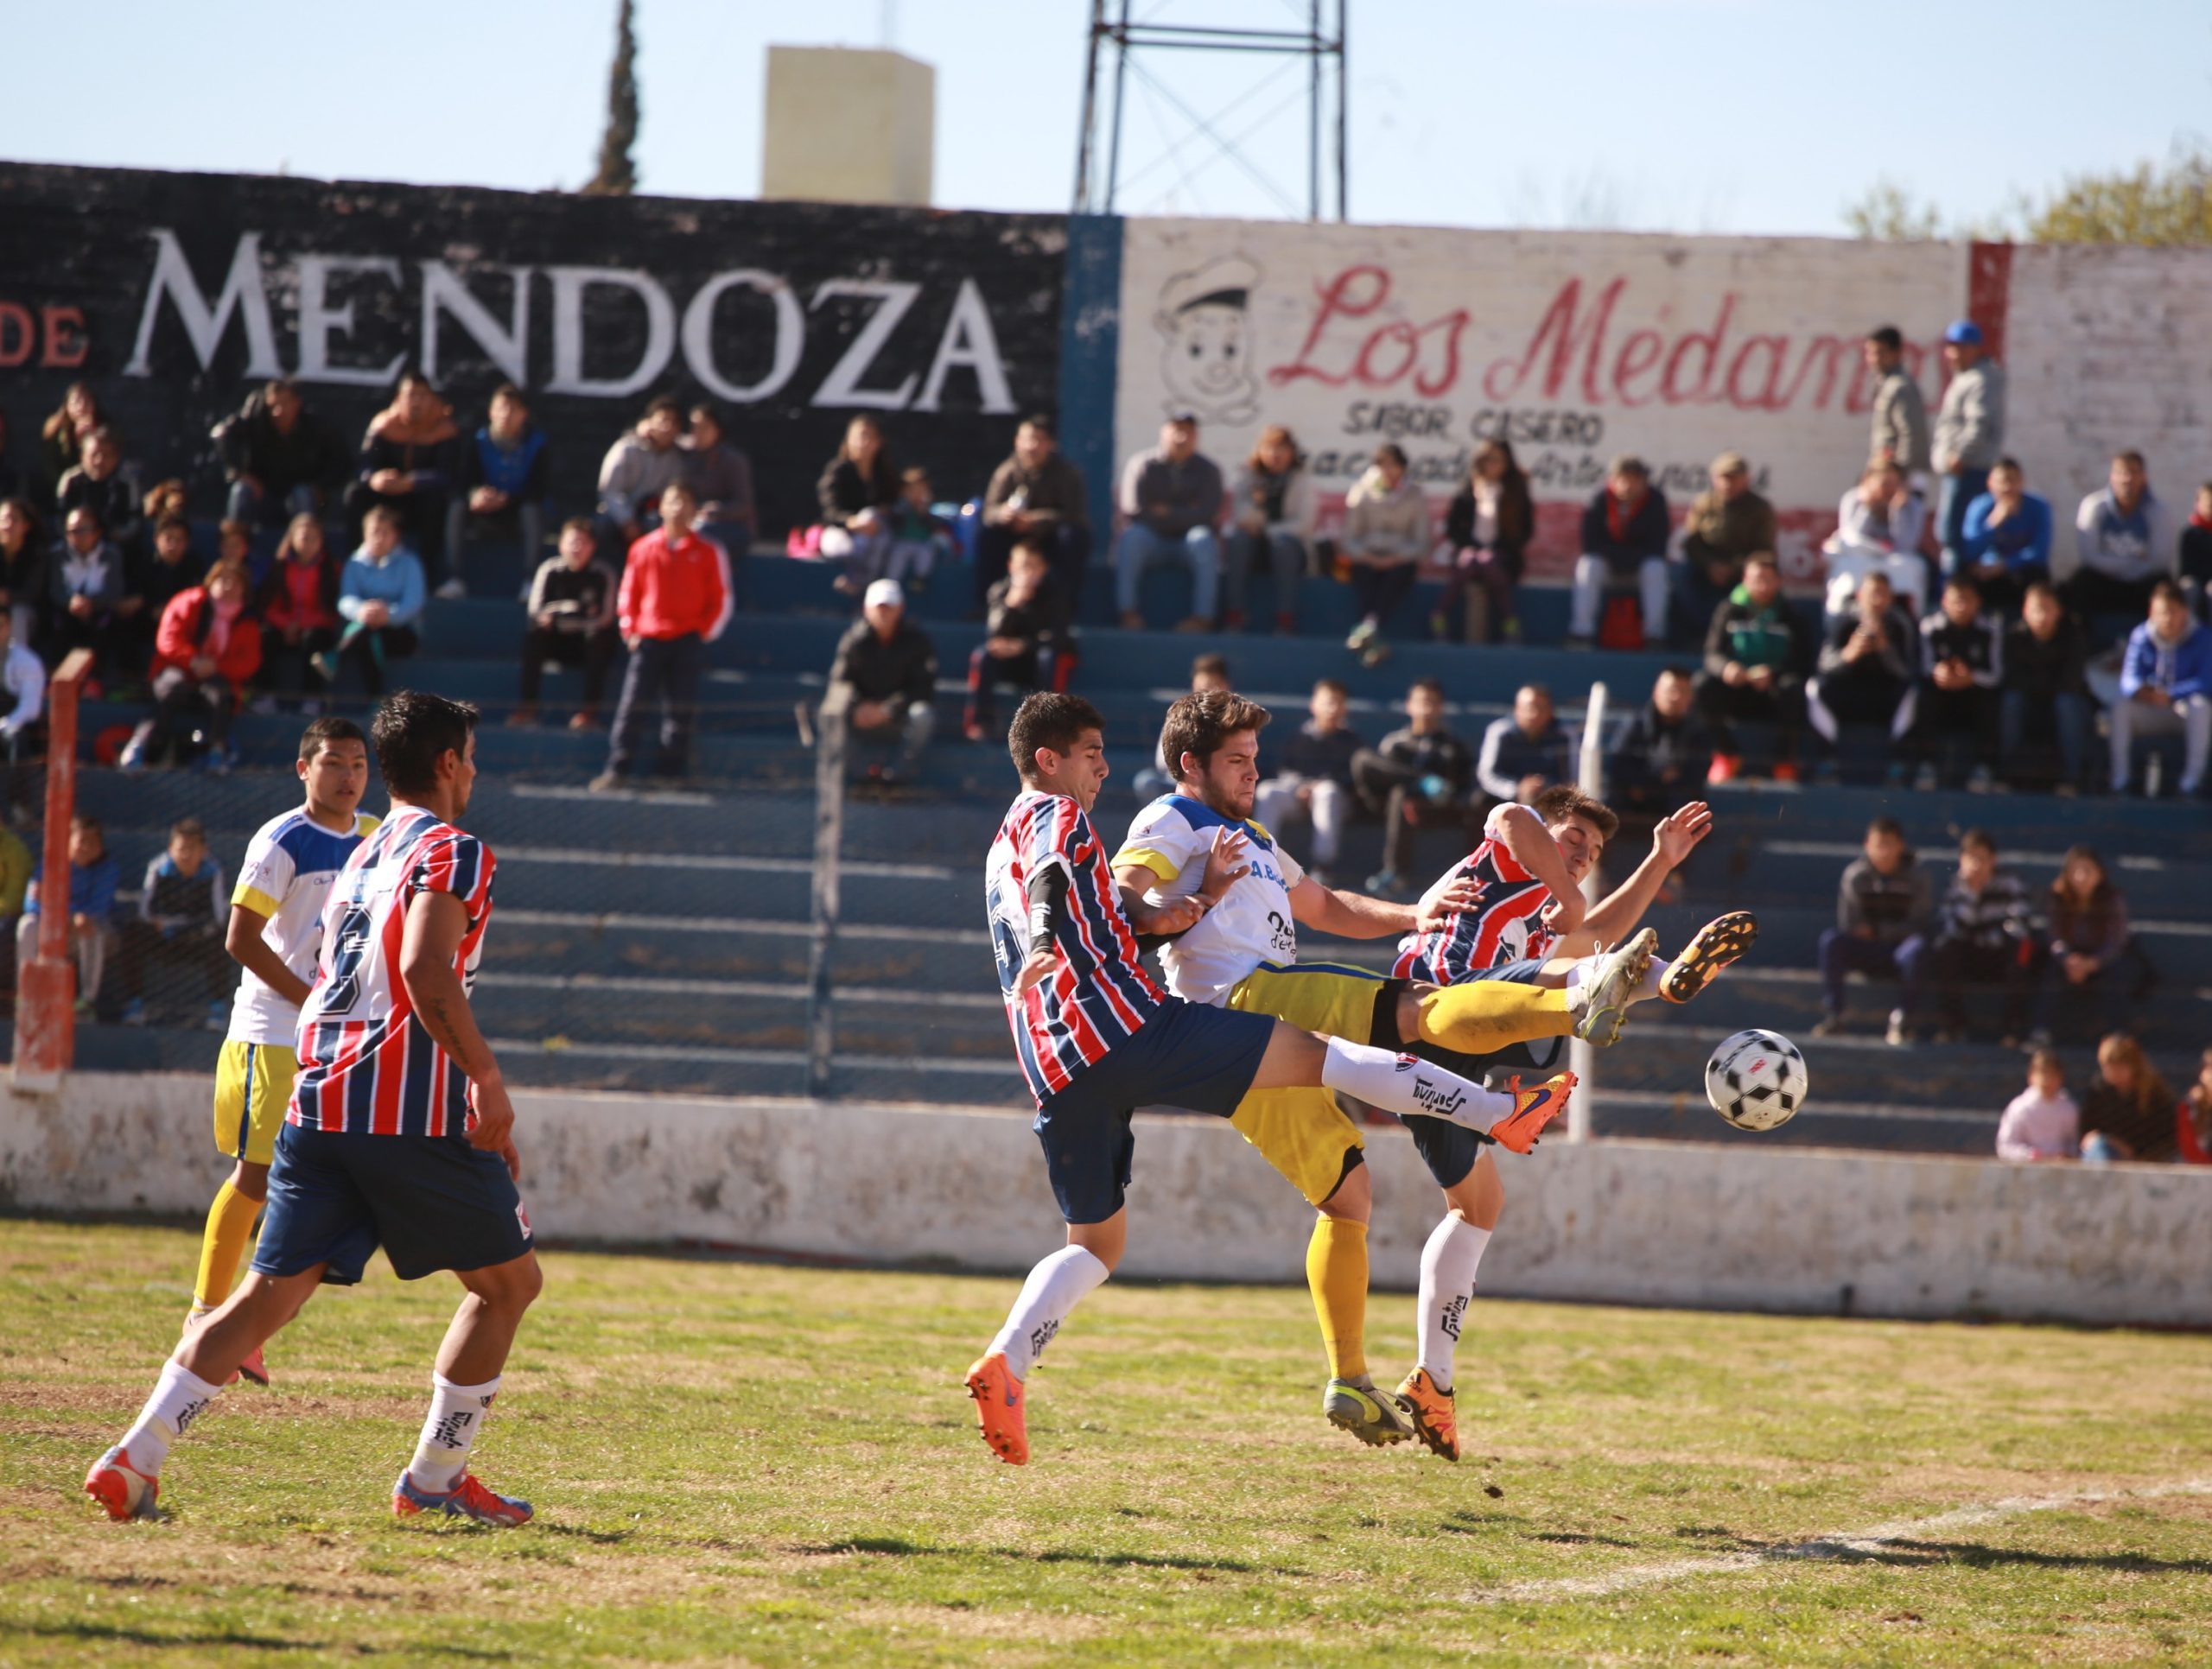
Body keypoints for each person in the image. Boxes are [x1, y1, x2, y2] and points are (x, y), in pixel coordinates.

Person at [964, 691, 1578, 1467]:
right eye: (1089, 752)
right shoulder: (1072, 814)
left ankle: (1006, 1363)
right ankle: (1498, 1108)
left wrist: (1213, 898)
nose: (1101, 766)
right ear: (1049, 759)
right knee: (1323, 1047)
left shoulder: (999, 848)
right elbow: (1075, 885)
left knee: (1096, 1244)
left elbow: (1140, 915)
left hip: (1056, 1066)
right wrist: (1051, 941)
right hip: (1133, 1025)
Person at [1110, 691, 1676, 1447]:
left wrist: (1414, 913)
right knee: (1410, 1009)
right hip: (1247, 994)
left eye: (1253, 760)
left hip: (1237, 1053)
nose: (1252, 773)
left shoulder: (1251, 834)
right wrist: (1168, 907)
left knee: (1348, 1200)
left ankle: (1350, 1377)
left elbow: (1326, 903)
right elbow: (1126, 890)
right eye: (1237, 762)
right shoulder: (1175, 819)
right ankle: (1562, 1025)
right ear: (1191, 765)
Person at [85, 692, 543, 1527]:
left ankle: (135, 1455)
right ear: (448, 764)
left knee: (265, 1297)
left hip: (318, 1100)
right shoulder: (455, 850)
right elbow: (426, 970)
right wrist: (485, 1075)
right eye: (470, 757)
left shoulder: (364, 853)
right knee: (509, 1284)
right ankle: (433, 1480)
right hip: (407, 1112)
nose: (474, 771)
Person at [1388, 791, 1748, 1456]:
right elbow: (1511, 818)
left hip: (1438, 1056)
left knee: (1477, 1206)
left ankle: (1433, 1382)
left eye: (1593, 851)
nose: (1582, 853)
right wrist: (1569, 894)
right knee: (1576, 978)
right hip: (1442, 1001)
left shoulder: (1543, 914)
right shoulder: (1506, 861)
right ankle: (1663, 983)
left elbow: (1598, 932)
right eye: (1574, 836)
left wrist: (1659, 860)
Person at [175, 718, 376, 1393]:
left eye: (358, 764)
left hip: (336, 1040)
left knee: (327, 1182)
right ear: (303, 769)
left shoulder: (376, 837)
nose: (348, 776)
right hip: (273, 1036)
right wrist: (311, 997)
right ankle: (205, 1319)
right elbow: (240, 937)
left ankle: (246, 1330)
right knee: (256, 1178)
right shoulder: (282, 839)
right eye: (333, 763)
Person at [593, 482, 733, 790]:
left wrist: (703, 632)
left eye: (686, 502)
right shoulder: (642, 548)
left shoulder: (710, 551)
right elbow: (629, 593)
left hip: (687, 641)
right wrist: (630, 630)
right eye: (673, 501)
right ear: (662, 507)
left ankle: (670, 775)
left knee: (680, 710)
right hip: (648, 640)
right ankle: (618, 769)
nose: (679, 508)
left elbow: (721, 598)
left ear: (695, 509)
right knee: (633, 706)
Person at [119, 564, 262, 772]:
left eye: (235, 582)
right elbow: (168, 639)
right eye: (223, 580)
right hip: (179, 668)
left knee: (220, 694)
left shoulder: (247, 620)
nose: (228, 586)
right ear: (210, 582)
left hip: (218, 675)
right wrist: (193, 661)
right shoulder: (188, 601)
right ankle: (139, 746)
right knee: (171, 687)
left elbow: (249, 661)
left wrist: (216, 666)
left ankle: (217, 753)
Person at [1697, 552, 1815, 784]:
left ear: (1778, 582)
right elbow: (1712, 654)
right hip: (1736, 690)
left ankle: (1784, 761)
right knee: (1702, 685)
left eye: (1767, 579)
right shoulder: (1728, 610)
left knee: (1793, 688)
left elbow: (1804, 661)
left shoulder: (1791, 615)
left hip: (1772, 693)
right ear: (1744, 580)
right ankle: (1726, 755)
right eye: (1755, 579)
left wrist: (1773, 674)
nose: (1761, 586)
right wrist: (1728, 669)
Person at [1813, 816, 1931, 1045]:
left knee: (1919, 948)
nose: (1884, 852)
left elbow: (1919, 924)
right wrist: (1892, 931)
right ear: (1867, 845)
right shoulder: (1855, 876)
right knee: (1832, 941)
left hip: (1901, 952)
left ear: (1901, 846)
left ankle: (1903, 1019)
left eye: (1890, 844)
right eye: (1879, 844)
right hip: (1867, 951)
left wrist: (1877, 930)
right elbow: (1850, 925)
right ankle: (1835, 1015)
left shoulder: (1918, 877)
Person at [1354, 678, 1475, 896]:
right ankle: (1394, 872)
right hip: (1389, 807)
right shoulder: (1395, 743)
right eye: (1421, 701)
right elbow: (1380, 776)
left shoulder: (1453, 746)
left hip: (1435, 809)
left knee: (1404, 795)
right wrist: (1421, 780)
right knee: (1364, 761)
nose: (1426, 708)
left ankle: (1397, 871)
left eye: (1433, 702)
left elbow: (1462, 788)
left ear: (1441, 707)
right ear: (1409, 705)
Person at [343, 370, 459, 592]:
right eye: (410, 395)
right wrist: (374, 478)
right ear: (399, 398)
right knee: (356, 494)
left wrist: (413, 482)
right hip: (386, 499)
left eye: (422, 396)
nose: (416, 402)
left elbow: (447, 475)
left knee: (437, 501)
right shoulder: (384, 426)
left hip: (419, 501)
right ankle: (355, 569)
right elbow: (365, 465)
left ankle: (427, 575)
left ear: (432, 399)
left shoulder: (445, 430)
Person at [2025, 846, 2152, 1048]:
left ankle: (2119, 1035)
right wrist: (2068, 959)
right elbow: (2054, 936)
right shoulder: (2057, 898)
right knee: (2049, 972)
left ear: (2100, 874)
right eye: (2076, 871)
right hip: (2069, 960)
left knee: (2118, 973)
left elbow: (2117, 941)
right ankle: (2040, 1031)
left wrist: (2094, 963)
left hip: (2102, 960)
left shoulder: (2113, 900)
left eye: (2088, 871)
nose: (2082, 877)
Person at [1921, 828, 2032, 1044]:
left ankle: (2013, 1029)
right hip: (1969, 957)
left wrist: (1988, 932)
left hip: (2000, 956)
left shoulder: (2011, 884)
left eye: (1982, 859)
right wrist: (1973, 893)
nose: (1977, 865)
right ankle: (1953, 1026)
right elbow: (1951, 929)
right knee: (1945, 948)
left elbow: (2020, 926)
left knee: (2023, 950)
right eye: (1971, 858)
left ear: (1994, 860)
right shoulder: (1956, 888)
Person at [1116, 414, 1224, 632]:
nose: (1181, 437)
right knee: (1132, 536)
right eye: (1176, 430)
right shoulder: (1141, 464)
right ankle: (1128, 613)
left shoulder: (1209, 470)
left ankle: (1202, 618)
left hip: (1188, 544)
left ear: (1196, 437)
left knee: (1203, 539)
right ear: (1163, 432)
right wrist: (1187, 512)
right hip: (1151, 540)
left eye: (1188, 432)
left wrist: (1166, 512)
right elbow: (1134, 510)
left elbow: (1208, 514)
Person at [118, 818, 229, 1031]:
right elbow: (145, 911)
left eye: (192, 849)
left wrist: (193, 929)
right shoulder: (159, 868)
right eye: (181, 849)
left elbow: (218, 917)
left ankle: (217, 1008)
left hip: (196, 940)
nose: (186, 855)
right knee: (134, 931)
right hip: (163, 938)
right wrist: (161, 924)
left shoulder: (213, 872)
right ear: (171, 849)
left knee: (221, 938)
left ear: (204, 851)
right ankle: (135, 1004)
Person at [825, 578, 938, 784]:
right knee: (832, 713)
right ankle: (860, 776)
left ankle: (897, 776)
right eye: (879, 607)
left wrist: (889, 709)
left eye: (890, 607)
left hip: (901, 716)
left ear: (901, 608)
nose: (884, 613)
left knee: (923, 715)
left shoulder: (917, 641)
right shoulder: (854, 641)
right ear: (867, 609)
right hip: (862, 715)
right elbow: (840, 682)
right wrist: (857, 707)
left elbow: (923, 688)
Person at [442, 384, 550, 597]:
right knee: (456, 506)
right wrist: (476, 495)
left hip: (518, 512)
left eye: (513, 409)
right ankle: (453, 578)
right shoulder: (478, 441)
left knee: (532, 510)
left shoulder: (538, 443)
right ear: (491, 412)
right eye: (502, 408)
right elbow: (464, 482)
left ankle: (530, 583)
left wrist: (507, 500)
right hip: (484, 512)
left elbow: (539, 489)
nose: (506, 415)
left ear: (524, 414)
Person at [1254, 677, 1363, 885]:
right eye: (1327, 701)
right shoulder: (1299, 737)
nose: (1331, 708)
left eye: (1337, 702)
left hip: (1335, 802)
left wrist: (1319, 786)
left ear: (1344, 708)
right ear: (1314, 705)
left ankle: (1324, 866)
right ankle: (1262, 858)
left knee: (1327, 792)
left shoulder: (1352, 741)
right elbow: (1285, 770)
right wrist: (1299, 787)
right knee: (1268, 791)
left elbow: (1354, 780)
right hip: (1299, 796)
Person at [2109, 579, 2211, 798]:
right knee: (2121, 707)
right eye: (2161, 612)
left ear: (2185, 612)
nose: (2166, 619)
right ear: (2151, 612)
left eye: (2172, 612)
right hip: (2151, 710)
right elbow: (2128, 679)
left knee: (2201, 706)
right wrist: (2142, 692)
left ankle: (2190, 784)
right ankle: (2120, 783)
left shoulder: (2203, 637)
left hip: (2182, 712)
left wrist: (2171, 695)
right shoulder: (2141, 636)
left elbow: (2207, 682)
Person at [515, 519, 620, 731]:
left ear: (593, 547)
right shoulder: (549, 570)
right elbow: (536, 611)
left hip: (586, 643)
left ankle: (588, 714)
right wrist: (578, 611)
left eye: (583, 543)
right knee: (534, 635)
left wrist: (561, 615)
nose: (577, 548)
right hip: (556, 641)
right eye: (572, 542)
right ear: (561, 544)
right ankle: (528, 709)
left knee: (600, 637)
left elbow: (606, 617)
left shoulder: (603, 573)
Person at [977, 415, 1091, 605]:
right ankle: (987, 605)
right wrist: (1003, 514)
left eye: (1038, 440)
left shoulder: (1067, 473)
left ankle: (1064, 608)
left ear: (1051, 444)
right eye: (1026, 440)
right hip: (1014, 535)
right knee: (989, 536)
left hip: (1051, 537)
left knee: (1073, 537)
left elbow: (1074, 514)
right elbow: (989, 511)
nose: (1031, 446)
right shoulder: (1007, 471)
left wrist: (1035, 521)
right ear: (1017, 442)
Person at [1807, 570, 1918, 763]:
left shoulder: (1901, 623)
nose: (1876, 600)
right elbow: (1824, 667)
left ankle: (1898, 763)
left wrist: (1885, 649)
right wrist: (1850, 653)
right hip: (1848, 690)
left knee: (1913, 694)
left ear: (1890, 598)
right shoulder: (1843, 620)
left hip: (1884, 693)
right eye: (1872, 593)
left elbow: (1908, 672)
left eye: (1882, 594)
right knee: (1815, 689)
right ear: (1860, 595)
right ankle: (1826, 759)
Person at [964, 540, 1070, 740]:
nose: (1028, 573)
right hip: (1007, 661)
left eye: (1034, 566)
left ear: (1044, 569)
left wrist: (1023, 646)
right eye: (1023, 566)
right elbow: (994, 635)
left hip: (1036, 660)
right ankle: (981, 722)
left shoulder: (1055, 593)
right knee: (984, 655)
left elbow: (1057, 636)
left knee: (1049, 657)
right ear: (1011, 566)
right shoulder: (999, 591)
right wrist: (1012, 603)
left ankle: (1046, 724)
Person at [18, 813, 120, 1018]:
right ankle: (26, 993)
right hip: (55, 924)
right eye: (81, 841)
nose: (86, 847)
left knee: (91, 931)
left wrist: (55, 904)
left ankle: (87, 1001)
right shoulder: (50, 863)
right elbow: (30, 903)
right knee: (27, 924)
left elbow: (96, 909)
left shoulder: (107, 869)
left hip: (90, 930)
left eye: (93, 842)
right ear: (68, 841)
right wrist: (67, 914)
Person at [1340, 443, 1431, 666]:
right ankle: (1372, 635)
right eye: (1383, 465)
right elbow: (1349, 538)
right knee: (1365, 576)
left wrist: (1395, 558)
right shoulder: (1361, 491)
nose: (1389, 471)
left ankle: (1367, 630)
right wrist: (1368, 556)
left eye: (1394, 465)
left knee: (1399, 576)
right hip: (1366, 558)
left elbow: (1422, 541)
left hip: (1400, 559)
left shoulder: (1415, 494)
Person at [213, 378, 346, 529]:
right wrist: (241, 473)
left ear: (297, 403)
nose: (278, 412)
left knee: (302, 494)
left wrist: (320, 487)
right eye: (272, 406)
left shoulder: (314, 427)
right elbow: (221, 434)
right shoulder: (255, 419)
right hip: (263, 495)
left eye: (284, 404)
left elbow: (340, 460)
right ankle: (235, 543)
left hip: (299, 496)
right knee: (241, 490)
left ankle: (305, 544)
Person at [1438, 439, 1535, 644]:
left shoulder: (1515, 490)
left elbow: (1525, 531)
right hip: (1471, 552)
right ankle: (1440, 616)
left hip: (1504, 556)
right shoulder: (1469, 488)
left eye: (1498, 460)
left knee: (1489, 562)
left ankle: (1510, 622)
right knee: (1469, 561)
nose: (1492, 465)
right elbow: (1453, 526)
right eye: (1488, 460)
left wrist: (1498, 548)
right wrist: (1470, 546)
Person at [323, 506, 426, 697]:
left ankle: (336, 656)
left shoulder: (410, 563)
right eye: (374, 532)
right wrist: (362, 611)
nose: (379, 538)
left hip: (401, 631)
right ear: (364, 533)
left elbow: (413, 602)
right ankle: (376, 697)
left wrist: (388, 615)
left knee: (369, 636)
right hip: (364, 626)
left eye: (385, 532)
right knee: (370, 637)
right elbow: (346, 599)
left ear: (396, 535)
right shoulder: (354, 563)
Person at [1675, 452, 1777, 644]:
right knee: (1682, 574)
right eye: (1723, 478)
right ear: (1714, 479)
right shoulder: (1704, 503)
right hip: (1707, 567)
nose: (1728, 484)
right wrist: (1711, 565)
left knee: (1760, 579)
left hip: (1742, 571)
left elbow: (1764, 550)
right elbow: (1691, 543)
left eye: (1734, 478)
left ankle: (1741, 640)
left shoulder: (1760, 508)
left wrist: (1734, 567)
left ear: (1746, 479)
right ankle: (1695, 636)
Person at [1913, 574, 2004, 790]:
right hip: (1941, 693)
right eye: (1956, 600)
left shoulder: (1990, 630)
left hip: (1974, 694)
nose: (1962, 607)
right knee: (1922, 696)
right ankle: (1925, 766)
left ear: (1978, 602)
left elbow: (1997, 674)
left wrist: (1971, 678)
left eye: (1967, 600)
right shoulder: (1930, 627)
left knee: (1995, 701)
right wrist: (1940, 673)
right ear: (1944, 602)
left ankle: (1984, 768)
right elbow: (1924, 667)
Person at [1999, 581, 2091, 793]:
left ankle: (2071, 780)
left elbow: (2071, 681)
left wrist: (2043, 690)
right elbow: (2012, 679)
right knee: (2011, 701)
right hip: (2030, 703)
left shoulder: (2074, 635)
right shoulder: (2014, 637)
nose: (2041, 617)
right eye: (2035, 610)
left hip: (2064, 704)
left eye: (2047, 609)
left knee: (2067, 704)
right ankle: (2005, 776)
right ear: (2024, 611)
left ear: (2058, 611)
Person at [1570, 454, 1669, 649]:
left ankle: (1654, 636)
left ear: (1644, 482)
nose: (1628, 486)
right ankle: (1581, 633)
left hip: (1639, 568)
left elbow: (1658, 546)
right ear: (1612, 480)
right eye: (1623, 479)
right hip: (1609, 567)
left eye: (1635, 480)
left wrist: (1627, 559)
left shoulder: (1655, 501)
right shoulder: (1599, 500)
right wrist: (1619, 558)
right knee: (1588, 565)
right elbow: (1590, 544)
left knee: (1656, 569)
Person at [2069, 451, 2177, 623]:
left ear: (2143, 477)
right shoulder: (2094, 506)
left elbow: (2159, 560)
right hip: (2105, 580)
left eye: (2133, 472)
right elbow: (2089, 556)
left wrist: (2131, 571)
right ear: (2112, 477)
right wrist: (2127, 566)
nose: (2127, 479)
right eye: (2121, 473)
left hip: (2142, 582)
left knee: (2164, 585)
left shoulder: (2159, 511)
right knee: (2080, 582)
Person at [1931, 320, 2006, 566]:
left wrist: (1959, 455)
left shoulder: (1981, 378)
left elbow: (1979, 424)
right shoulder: (1965, 377)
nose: (1953, 354)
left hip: (1969, 469)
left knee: (1956, 537)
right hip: (1960, 469)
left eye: (1960, 347)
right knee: (1949, 536)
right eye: (1951, 347)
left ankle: (1958, 593)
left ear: (1975, 348)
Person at [1225, 424, 1312, 633]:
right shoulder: (1248, 477)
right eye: (1270, 448)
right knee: (1239, 540)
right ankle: (1235, 615)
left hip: (1287, 549)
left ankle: (1285, 619)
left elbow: (1305, 523)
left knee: (1282, 545)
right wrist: (1254, 517)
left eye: (1281, 449)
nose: (1275, 455)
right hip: (1254, 547)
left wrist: (1268, 531)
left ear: (1292, 453)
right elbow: (1240, 513)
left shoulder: (1301, 479)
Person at [256, 514, 343, 709]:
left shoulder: (332, 569)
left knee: (314, 639)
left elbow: (332, 611)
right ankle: (265, 696)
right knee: (265, 637)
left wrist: (301, 625)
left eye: (314, 539)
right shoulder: (279, 567)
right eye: (304, 538)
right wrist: (286, 625)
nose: (308, 544)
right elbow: (269, 606)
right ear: (292, 539)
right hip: (284, 628)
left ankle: (311, 698)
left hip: (315, 629)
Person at [1610, 667, 1714, 819]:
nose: (1675, 697)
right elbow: (1619, 766)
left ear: (1691, 697)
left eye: (1683, 691)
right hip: (1634, 803)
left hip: (1676, 807)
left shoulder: (1699, 732)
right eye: (1671, 690)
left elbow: (1696, 774)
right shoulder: (1634, 726)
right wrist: (1655, 779)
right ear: (1656, 692)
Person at [1826, 460, 1929, 612]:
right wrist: (1867, 509)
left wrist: (1897, 512)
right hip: (1860, 560)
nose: (1888, 490)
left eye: (1894, 484)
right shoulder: (1853, 499)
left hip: (1897, 562)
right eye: (1884, 484)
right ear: (1868, 481)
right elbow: (1852, 540)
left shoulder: (1912, 505)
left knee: (1914, 567)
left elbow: (1906, 545)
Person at [816, 415, 900, 593]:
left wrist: (879, 517)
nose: (864, 443)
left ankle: (863, 586)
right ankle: (860, 583)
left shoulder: (884, 474)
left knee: (882, 534)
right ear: (848, 440)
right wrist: (852, 522)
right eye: (860, 436)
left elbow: (892, 506)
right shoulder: (837, 470)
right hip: (839, 534)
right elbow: (830, 511)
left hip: (875, 535)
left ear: (879, 442)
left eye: (870, 437)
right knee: (858, 543)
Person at [1955, 456, 2053, 612]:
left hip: (2021, 570)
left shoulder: (2038, 507)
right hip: (1987, 570)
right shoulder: (1980, 507)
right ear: (1990, 483)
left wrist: (2005, 565)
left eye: (2013, 481)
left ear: (2022, 482)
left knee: (2037, 575)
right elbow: (1970, 550)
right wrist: (1993, 523)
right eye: (2002, 482)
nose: (2008, 488)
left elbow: (2039, 552)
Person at [596, 396, 690, 544]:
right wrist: (627, 521)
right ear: (649, 422)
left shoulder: (678, 457)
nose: (667, 427)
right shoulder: (626, 448)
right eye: (662, 420)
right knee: (603, 524)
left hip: (652, 516)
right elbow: (609, 491)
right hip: (618, 514)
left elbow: (697, 442)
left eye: (673, 422)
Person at [49, 505, 130, 678]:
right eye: (72, 531)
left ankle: (97, 681)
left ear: (97, 532)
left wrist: (92, 603)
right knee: (57, 624)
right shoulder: (56, 555)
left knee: (107, 624)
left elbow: (115, 590)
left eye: (84, 529)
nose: (78, 535)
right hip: (66, 611)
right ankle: (57, 678)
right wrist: (69, 601)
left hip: (100, 610)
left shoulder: (112, 555)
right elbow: (54, 589)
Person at [2077, 1033, 2175, 1164]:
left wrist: (2133, 1152)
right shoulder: (2099, 1090)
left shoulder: (2154, 1093)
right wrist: (2101, 1140)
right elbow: (2087, 1130)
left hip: (2143, 1161)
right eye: (2107, 1067)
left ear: (2134, 1066)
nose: (2112, 1073)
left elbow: (2165, 1138)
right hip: (2106, 1155)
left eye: (2119, 1067)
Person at [54, 427, 144, 560]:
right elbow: (59, 521)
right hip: (75, 544)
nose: (99, 461)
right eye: (93, 455)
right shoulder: (71, 480)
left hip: (118, 545)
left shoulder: (126, 483)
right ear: (82, 456)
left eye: (106, 456)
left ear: (116, 458)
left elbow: (134, 522)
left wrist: (111, 536)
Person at [1476, 683, 1571, 808]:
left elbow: (1573, 778)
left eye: (1542, 708)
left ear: (1551, 711)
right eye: (1529, 708)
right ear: (1517, 709)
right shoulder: (1499, 732)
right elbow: (1487, 775)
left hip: (1552, 803)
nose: (1535, 714)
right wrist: (1516, 789)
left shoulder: (1566, 735)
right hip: (1504, 801)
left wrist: (1546, 789)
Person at [679, 403, 755, 550]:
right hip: (694, 521)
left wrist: (714, 511)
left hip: (733, 528)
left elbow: (744, 506)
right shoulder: (686, 453)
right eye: (694, 427)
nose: (698, 433)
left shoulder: (733, 460)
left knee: (701, 532)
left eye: (704, 427)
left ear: (717, 430)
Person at [1864, 325, 1930, 478]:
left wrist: (1900, 476)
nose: (1874, 359)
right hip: (1887, 475)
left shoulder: (1901, 386)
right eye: (1870, 353)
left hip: (1901, 476)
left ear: (1897, 353)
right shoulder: (1886, 384)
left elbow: (1911, 434)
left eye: (1880, 353)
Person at [1995, 1050, 2079, 1162]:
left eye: (2052, 1073)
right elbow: (2005, 1146)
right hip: (2025, 1172)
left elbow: (2074, 1143)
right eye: (2042, 1072)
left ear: (2060, 1078)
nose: (2046, 1079)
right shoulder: (2019, 1108)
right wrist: (2029, 1155)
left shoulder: (2069, 1109)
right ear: (2031, 1076)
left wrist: (2066, 1155)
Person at [878, 466, 955, 587]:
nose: (917, 493)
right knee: (897, 557)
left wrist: (924, 514)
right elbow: (893, 522)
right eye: (912, 490)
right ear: (904, 491)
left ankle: (920, 580)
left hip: (922, 542)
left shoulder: (928, 509)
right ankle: (890, 584)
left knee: (927, 554)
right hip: (902, 542)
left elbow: (934, 527)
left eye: (921, 490)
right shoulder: (899, 507)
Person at [36, 381, 104, 510]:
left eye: (86, 402)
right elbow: (50, 465)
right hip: (62, 491)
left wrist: (90, 438)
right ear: (67, 406)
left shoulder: (104, 429)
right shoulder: (55, 431)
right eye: (76, 402)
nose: (82, 407)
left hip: (97, 491)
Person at [0, 497, 43, 646]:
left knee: (18, 613)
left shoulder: (36, 556)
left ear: (26, 525)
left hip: (26, 612)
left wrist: (8, 597)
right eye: (4, 519)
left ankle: (16, 665)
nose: (8, 525)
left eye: (14, 519)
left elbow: (32, 593)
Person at [2182, 480, 2212, 621]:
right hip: (2197, 580)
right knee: (2188, 587)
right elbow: (2187, 569)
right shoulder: (2190, 534)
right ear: (2198, 503)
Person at [2177, 1049, 2212, 1165]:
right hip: (2198, 1167)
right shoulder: (2190, 1105)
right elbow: (2189, 1149)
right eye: (2210, 1069)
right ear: (2202, 1073)